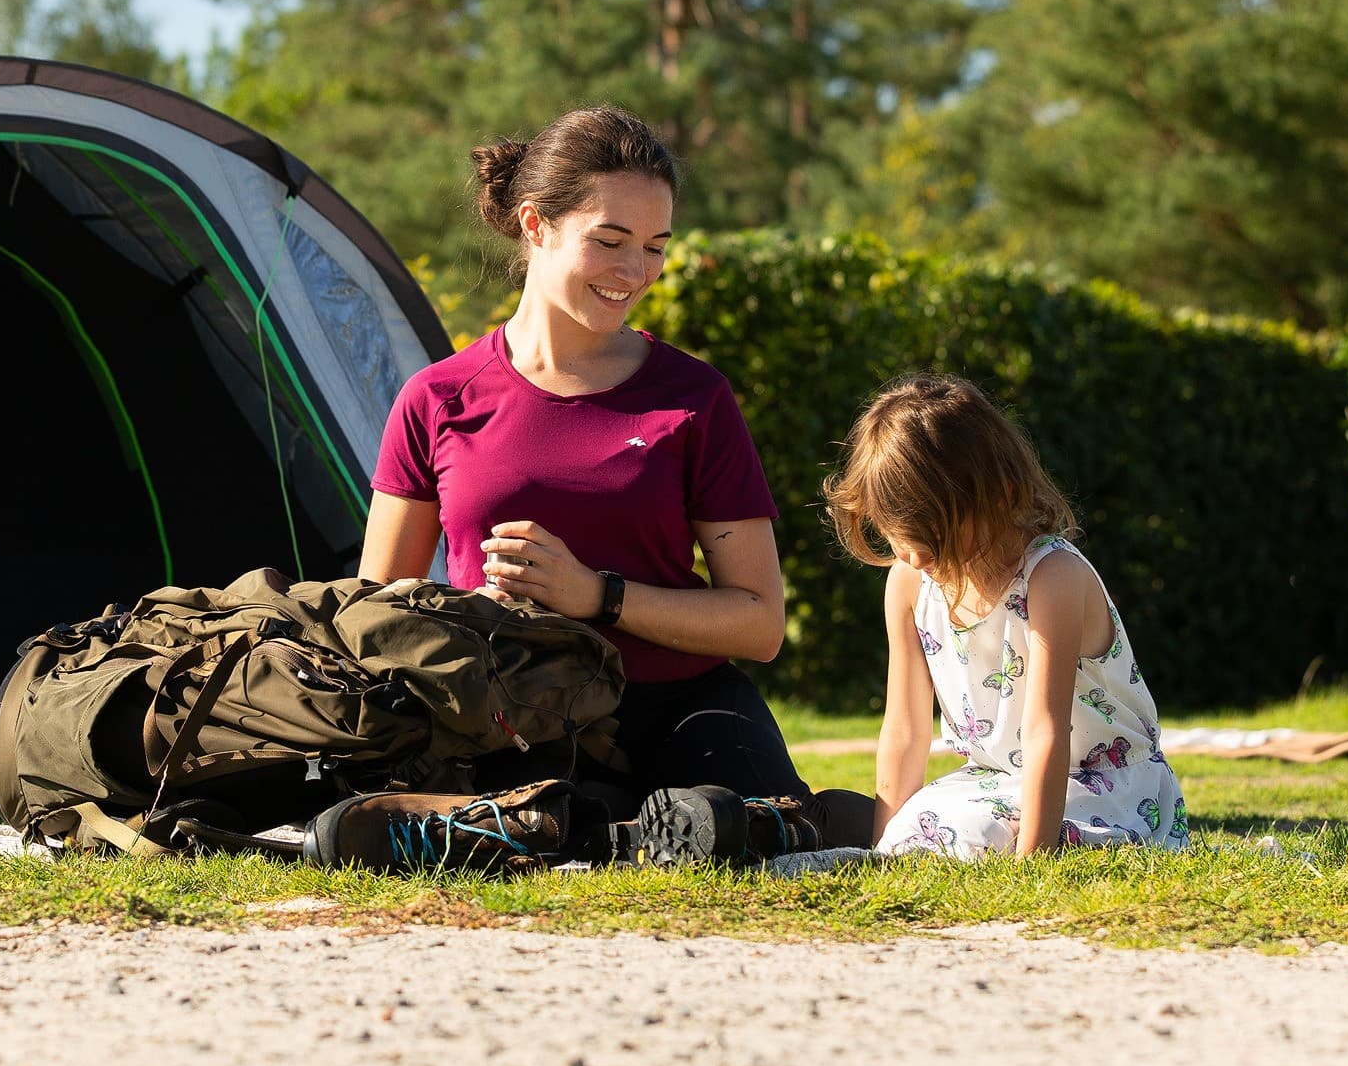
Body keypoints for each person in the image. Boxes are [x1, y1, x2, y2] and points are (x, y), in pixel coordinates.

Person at [354, 105, 858, 865]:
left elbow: (757, 623)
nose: (636, 271)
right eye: (610, 240)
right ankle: (615, 828)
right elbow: (374, 614)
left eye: (655, 246)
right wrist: (465, 617)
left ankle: (660, 826)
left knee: (743, 826)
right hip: (514, 710)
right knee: (543, 825)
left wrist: (597, 595)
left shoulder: (694, 397)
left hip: (685, 707)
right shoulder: (437, 397)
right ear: (534, 226)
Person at [826, 374, 1188, 859]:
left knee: (975, 834)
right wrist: (882, 849)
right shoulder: (910, 585)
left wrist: (1032, 864)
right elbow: (906, 730)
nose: (911, 553)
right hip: (997, 781)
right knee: (916, 827)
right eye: (895, 533)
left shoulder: (1052, 577)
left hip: (1106, 785)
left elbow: (1045, 731)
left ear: (996, 495)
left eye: (931, 532)